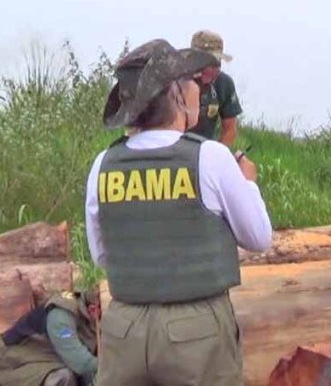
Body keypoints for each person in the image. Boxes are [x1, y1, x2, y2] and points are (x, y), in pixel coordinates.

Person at [85, 42, 272, 385]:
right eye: (192, 83)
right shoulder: (210, 158)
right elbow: (258, 238)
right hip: (196, 330)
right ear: (175, 95)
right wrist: (248, 183)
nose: (199, 89)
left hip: (123, 328)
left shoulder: (103, 165)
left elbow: (101, 254)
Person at [0, 290, 100, 386]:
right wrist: (113, 365)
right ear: (93, 309)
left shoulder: (83, 302)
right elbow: (82, 364)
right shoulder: (61, 318)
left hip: (48, 351)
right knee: (63, 376)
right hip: (19, 358)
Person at [189, 30, 243, 146]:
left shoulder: (224, 83)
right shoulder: (175, 81)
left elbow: (230, 130)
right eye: (206, 62)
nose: (212, 69)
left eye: (216, 63)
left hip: (205, 150)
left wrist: (217, 155)